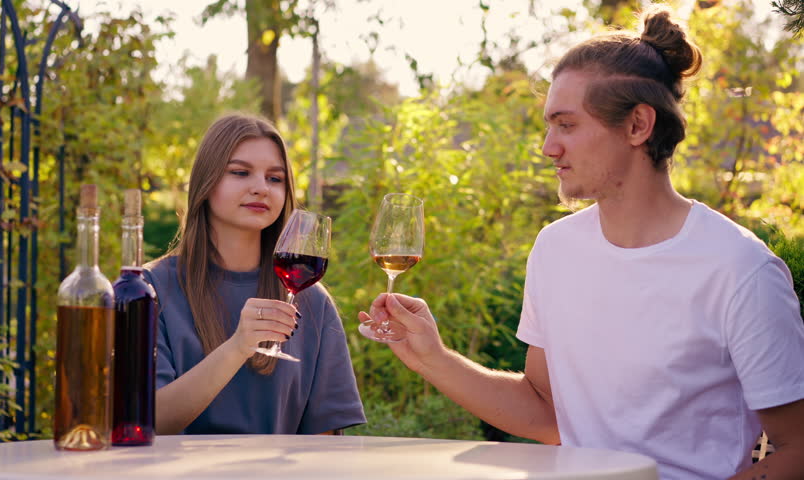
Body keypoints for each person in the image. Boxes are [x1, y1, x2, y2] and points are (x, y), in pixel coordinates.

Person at [359, 6, 804, 480]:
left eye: (566, 125)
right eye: (549, 125)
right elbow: (547, 414)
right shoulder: (556, 249)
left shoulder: (739, 269)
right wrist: (434, 357)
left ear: (637, 126)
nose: (548, 147)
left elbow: (796, 448)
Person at [146, 113, 365, 435]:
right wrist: (238, 347)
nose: (261, 188)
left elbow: (325, 442)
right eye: (240, 172)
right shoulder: (149, 290)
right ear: (206, 182)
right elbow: (149, 423)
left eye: (275, 179)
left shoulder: (311, 301)